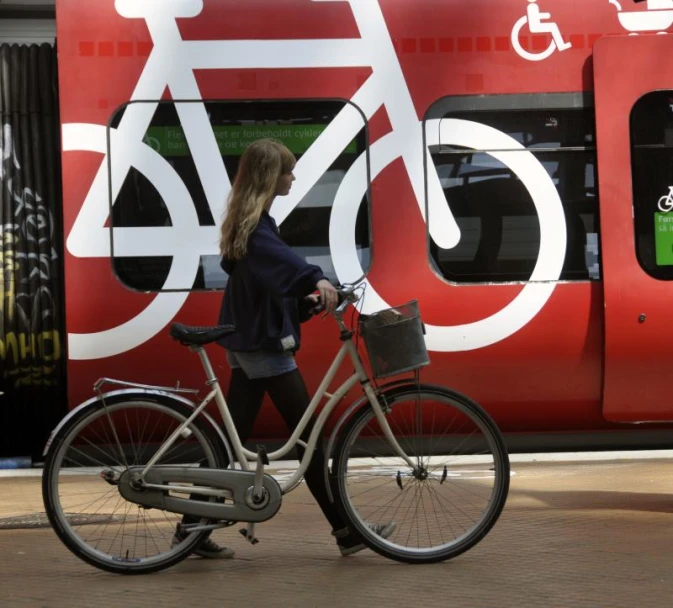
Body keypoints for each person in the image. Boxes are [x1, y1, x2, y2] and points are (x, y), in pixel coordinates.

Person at [174, 138, 393, 559]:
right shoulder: (258, 230)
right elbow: (283, 264)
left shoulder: (251, 223)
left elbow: (269, 281)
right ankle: (346, 531)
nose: (293, 177)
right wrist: (316, 279)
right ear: (269, 178)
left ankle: (190, 531)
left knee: (229, 442)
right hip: (261, 346)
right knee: (309, 437)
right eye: (287, 171)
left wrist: (302, 301)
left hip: (248, 339)